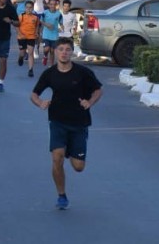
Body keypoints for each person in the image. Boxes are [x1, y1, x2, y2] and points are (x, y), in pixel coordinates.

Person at [30, 37, 102, 210]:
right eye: (60, 49)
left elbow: (98, 90)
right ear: (55, 51)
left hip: (79, 123)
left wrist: (89, 102)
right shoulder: (50, 73)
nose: (64, 52)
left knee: (78, 167)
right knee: (57, 158)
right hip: (57, 121)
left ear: (71, 52)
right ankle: (61, 195)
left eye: (67, 49)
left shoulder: (82, 72)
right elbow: (34, 94)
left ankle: (70, 150)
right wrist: (40, 103)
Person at [17, 1, 41, 77]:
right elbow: (17, 26)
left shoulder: (35, 17)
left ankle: (30, 70)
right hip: (22, 37)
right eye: (27, 8)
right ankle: (20, 57)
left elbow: (37, 26)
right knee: (23, 53)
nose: (29, 9)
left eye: (30, 8)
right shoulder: (21, 16)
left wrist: (37, 33)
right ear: (25, 8)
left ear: (33, 8)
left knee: (30, 53)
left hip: (31, 37)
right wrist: (20, 34)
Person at [41, 0, 63, 66]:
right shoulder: (45, 13)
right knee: (46, 49)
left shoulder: (59, 14)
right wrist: (46, 24)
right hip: (46, 35)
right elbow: (41, 21)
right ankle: (45, 56)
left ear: (56, 5)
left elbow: (61, 23)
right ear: (48, 5)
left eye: (54, 4)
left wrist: (61, 28)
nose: (52, 6)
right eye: (51, 4)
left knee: (52, 51)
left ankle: (51, 65)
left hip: (54, 35)